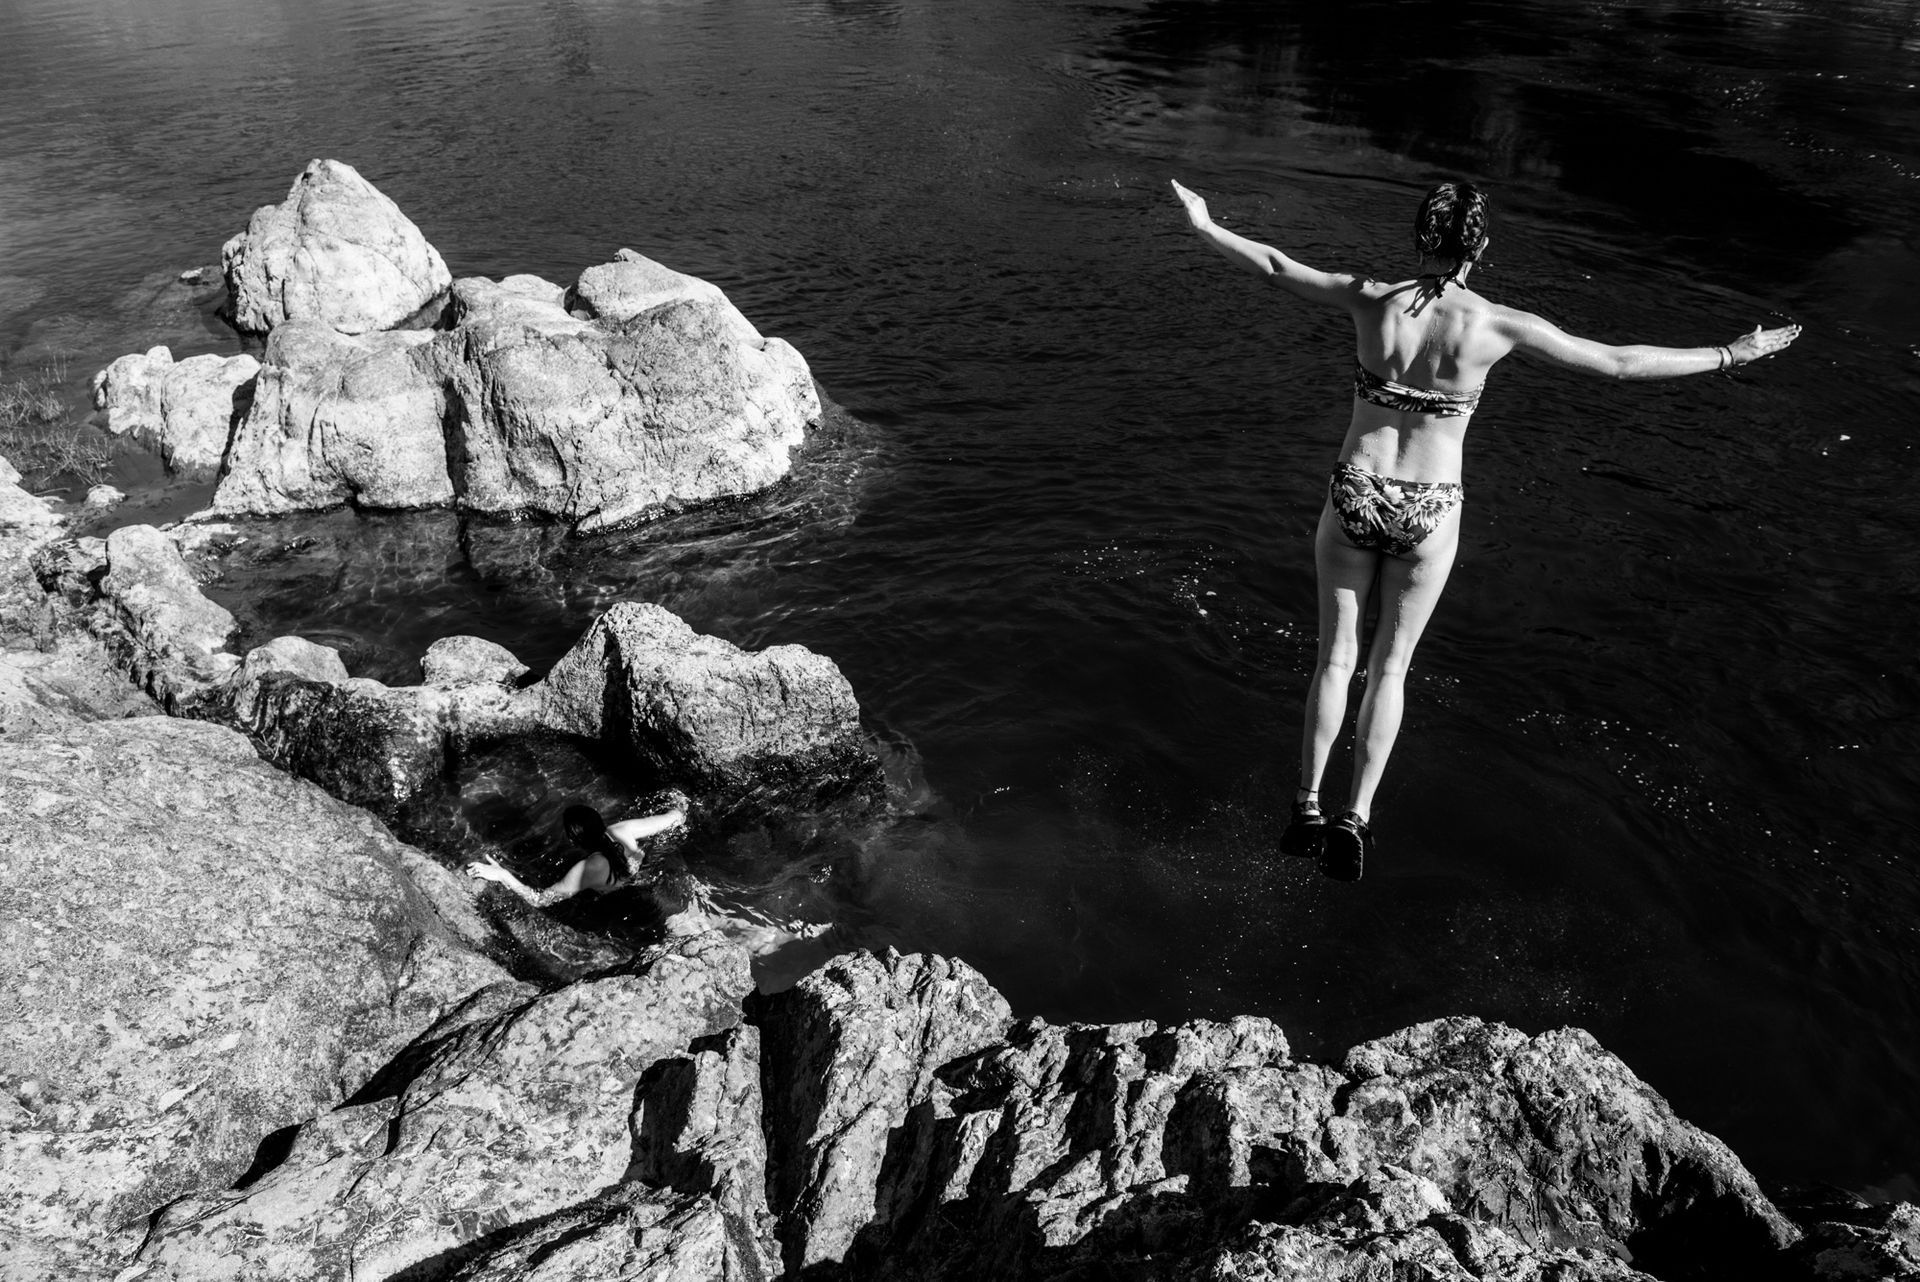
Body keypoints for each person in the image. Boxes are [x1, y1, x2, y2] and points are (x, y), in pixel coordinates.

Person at [1170, 178, 1800, 880]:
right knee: (1390, 668)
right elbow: (1618, 363)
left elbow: (1278, 265)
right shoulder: (1499, 325)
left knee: (1334, 661)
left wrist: (1204, 224)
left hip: (1357, 489)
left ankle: (1308, 805)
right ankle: (1357, 818)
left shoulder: (1370, 295)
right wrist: (1729, 355)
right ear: (1482, 248)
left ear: (1419, 239)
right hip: (1431, 508)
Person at [466, 802, 686, 907]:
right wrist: (679, 806)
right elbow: (675, 819)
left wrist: (502, 874)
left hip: (620, 901)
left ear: (572, 839)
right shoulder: (622, 831)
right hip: (645, 877)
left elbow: (540, 900)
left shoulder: (587, 869)